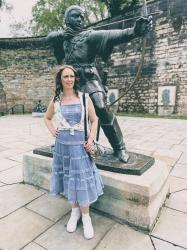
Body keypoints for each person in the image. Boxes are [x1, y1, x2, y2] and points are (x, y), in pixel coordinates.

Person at [47, 5, 153, 163]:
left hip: (88, 79)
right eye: (76, 16)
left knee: (102, 109)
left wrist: (134, 31)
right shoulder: (64, 38)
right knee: (67, 111)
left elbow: (114, 35)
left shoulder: (90, 36)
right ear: (67, 19)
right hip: (70, 81)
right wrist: (63, 34)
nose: (80, 19)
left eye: (82, 17)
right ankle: (66, 143)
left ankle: (120, 148)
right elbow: (48, 38)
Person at [44, 65, 104, 240]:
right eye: (65, 77)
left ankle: (86, 217)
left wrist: (91, 139)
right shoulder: (56, 100)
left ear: (75, 78)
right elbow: (47, 118)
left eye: (72, 76)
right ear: (60, 80)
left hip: (80, 147)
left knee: (81, 181)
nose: (69, 79)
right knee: (69, 178)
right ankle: (74, 213)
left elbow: (94, 120)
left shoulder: (85, 98)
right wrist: (52, 130)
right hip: (62, 147)